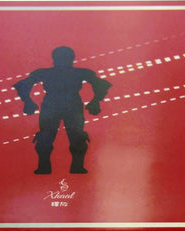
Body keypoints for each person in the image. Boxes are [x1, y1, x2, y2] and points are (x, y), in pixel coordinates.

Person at [13, 46, 112, 174]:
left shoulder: (52, 73)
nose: (64, 61)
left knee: (74, 138)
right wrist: (27, 102)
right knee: (48, 138)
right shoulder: (74, 73)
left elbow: (102, 85)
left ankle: (67, 167)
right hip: (59, 106)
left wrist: (95, 101)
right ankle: (51, 167)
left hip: (61, 106)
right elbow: (21, 85)